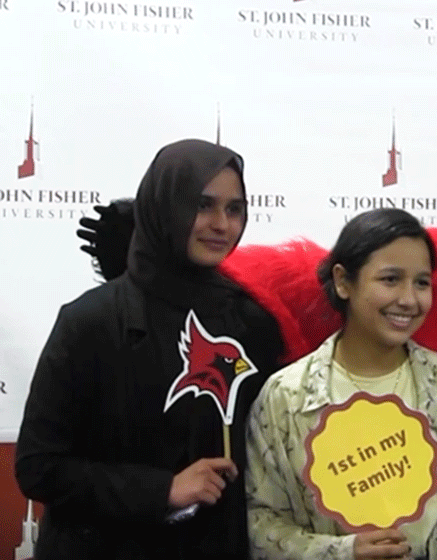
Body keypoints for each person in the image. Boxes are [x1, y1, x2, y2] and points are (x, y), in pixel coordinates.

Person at [16, 139, 284, 560]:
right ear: (165, 206)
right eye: (202, 205)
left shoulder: (252, 323)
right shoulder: (92, 322)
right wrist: (163, 490)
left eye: (234, 209)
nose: (221, 224)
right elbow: (39, 467)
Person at [246, 207, 437, 560]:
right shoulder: (286, 396)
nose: (409, 300)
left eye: (422, 283)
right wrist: (341, 551)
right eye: (390, 279)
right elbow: (261, 525)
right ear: (343, 282)